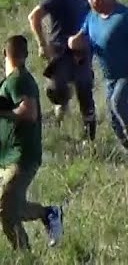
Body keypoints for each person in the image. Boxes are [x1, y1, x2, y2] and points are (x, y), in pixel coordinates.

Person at [67, 0, 128, 161]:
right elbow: (83, 35)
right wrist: (73, 41)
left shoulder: (124, 17)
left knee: (118, 102)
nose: (88, 1)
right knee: (112, 116)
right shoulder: (92, 17)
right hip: (111, 76)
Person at [0, 35, 64, 251]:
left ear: (4, 55)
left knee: (6, 209)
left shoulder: (19, 79)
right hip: (8, 156)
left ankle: (24, 256)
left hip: (21, 156)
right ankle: (48, 214)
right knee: (10, 207)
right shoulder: (10, 82)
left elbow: (29, 112)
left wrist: (5, 112)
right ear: (26, 55)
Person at [27, 0, 96, 141]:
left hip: (81, 53)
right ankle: (61, 111)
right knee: (57, 90)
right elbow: (34, 17)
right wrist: (42, 44)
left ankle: (89, 137)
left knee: (85, 92)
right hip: (61, 52)